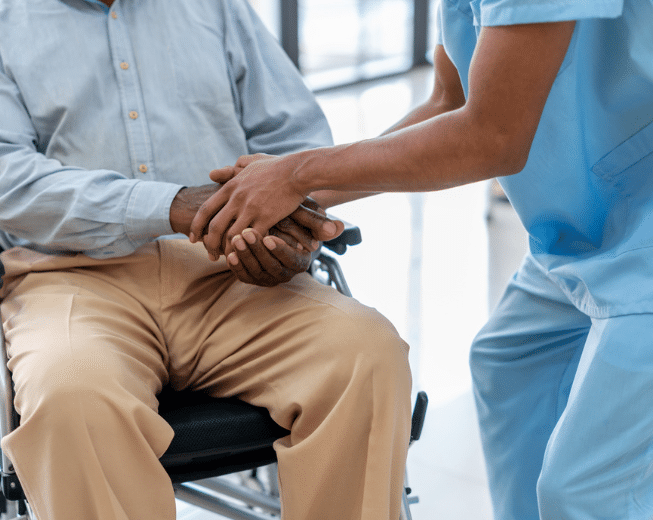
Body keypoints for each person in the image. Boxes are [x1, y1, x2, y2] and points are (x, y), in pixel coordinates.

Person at [0, 0, 413, 518]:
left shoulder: (215, 8)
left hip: (232, 270)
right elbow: (2, 180)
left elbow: (293, 140)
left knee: (366, 355)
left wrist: (287, 238)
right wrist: (169, 205)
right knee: (71, 395)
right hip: (74, 279)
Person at [191, 1, 653, 519]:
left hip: (641, 232)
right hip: (589, 219)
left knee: (587, 489)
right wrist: (305, 195)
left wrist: (295, 174)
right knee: (508, 361)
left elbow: (491, 137)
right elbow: (448, 100)